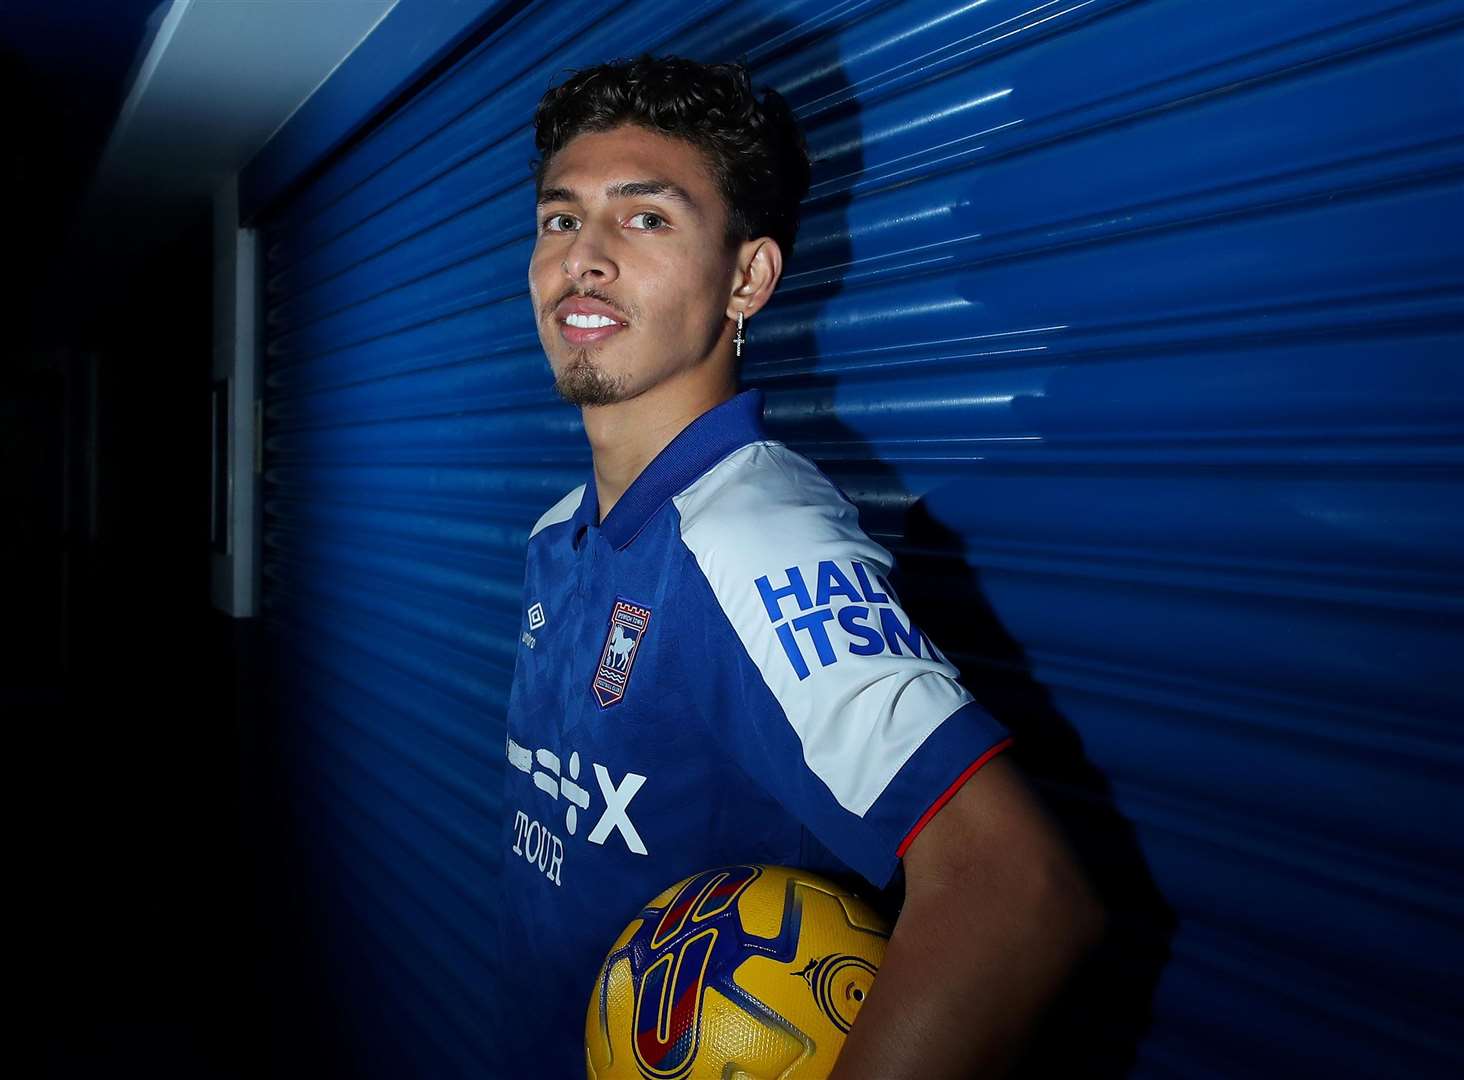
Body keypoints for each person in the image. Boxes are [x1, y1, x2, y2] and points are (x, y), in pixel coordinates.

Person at [498, 55, 1103, 1078]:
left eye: (645, 219)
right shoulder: (562, 529)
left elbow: (1019, 895)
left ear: (748, 278)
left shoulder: (754, 538)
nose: (582, 259)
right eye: (562, 218)